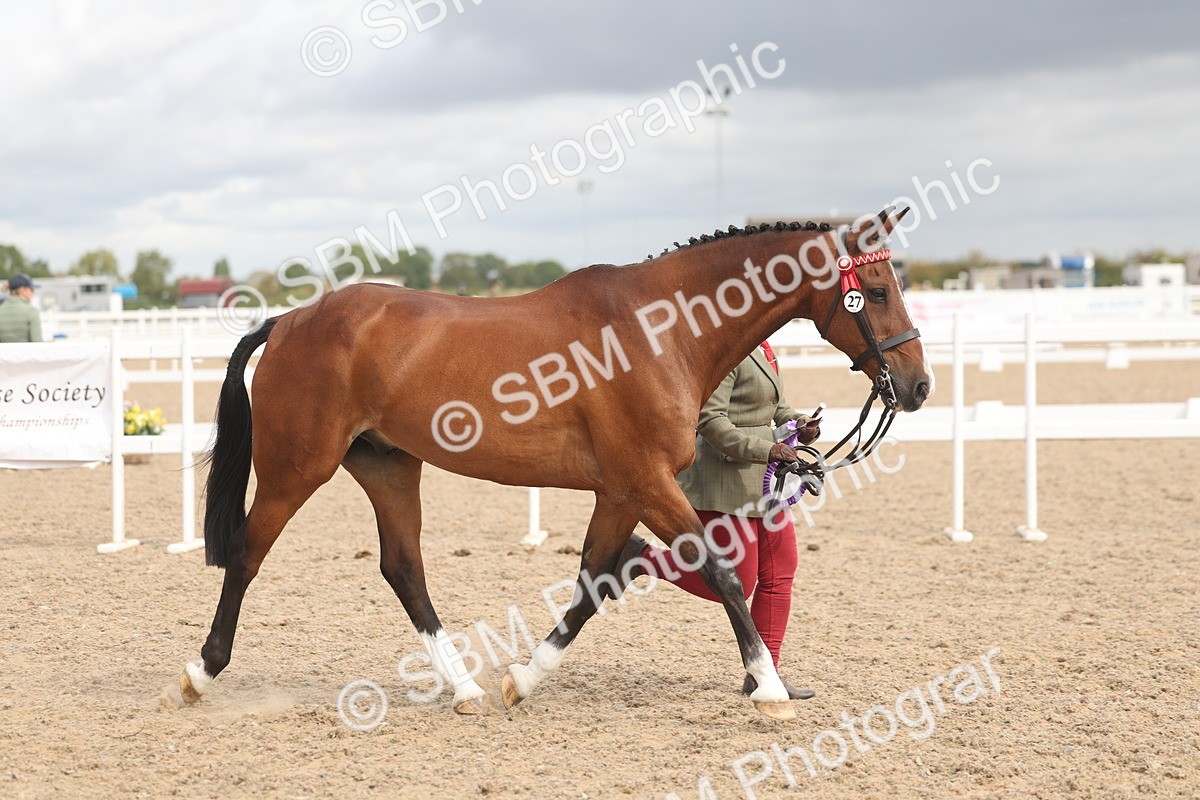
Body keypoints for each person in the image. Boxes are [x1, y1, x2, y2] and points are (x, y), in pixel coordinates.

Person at [618, 341, 819, 699]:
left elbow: (774, 406)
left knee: (780, 571)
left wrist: (798, 422)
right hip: (726, 482)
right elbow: (711, 421)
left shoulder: (763, 344)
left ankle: (764, 674)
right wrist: (766, 449)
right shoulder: (729, 347)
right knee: (737, 581)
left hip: (766, 482)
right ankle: (641, 558)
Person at [0, 274, 43, 343]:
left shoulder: (1, 310)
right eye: (31, 289)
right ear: (23, 290)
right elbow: (37, 342)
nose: (33, 292)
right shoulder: (31, 311)